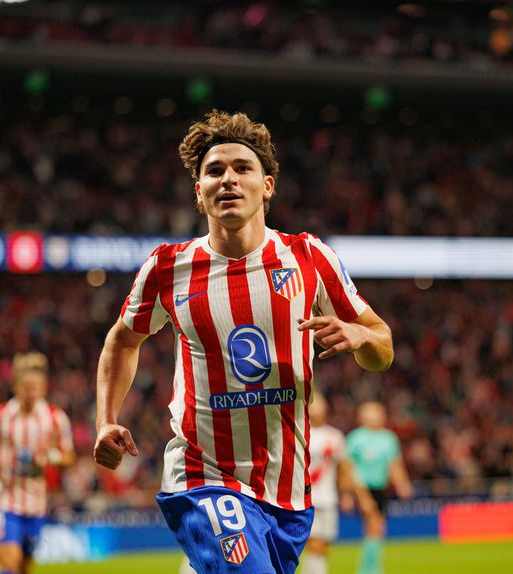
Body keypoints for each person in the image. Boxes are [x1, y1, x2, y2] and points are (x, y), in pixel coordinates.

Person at [93, 110, 394, 574]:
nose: (228, 179)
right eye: (214, 171)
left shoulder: (309, 257)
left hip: (287, 491)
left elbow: (383, 349)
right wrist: (105, 420)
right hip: (203, 475)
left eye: (242, 168)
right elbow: (122, 342)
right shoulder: (167, 268)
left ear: (267, 186)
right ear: (199, 191)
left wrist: (360, 335)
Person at [0, 352, 76, 574]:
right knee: (9, 563)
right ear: (15, 386)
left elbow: (69, 456)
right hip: (3, 498)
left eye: (35, 387)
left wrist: (50, 457)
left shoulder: (55, 418)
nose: (31, 392)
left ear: (44, 387)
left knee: (24, 568)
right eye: (26, 386)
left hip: (36, 502)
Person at [304, 394, 381, 574]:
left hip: (328, 497)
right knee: (314, 543)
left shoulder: (334, 436)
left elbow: (345, 469)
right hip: (307, 498)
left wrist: (353, 495)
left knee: (324, 544)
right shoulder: (300, 433)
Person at [346, 402, 413, 574]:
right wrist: (348, 494)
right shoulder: (356, 438)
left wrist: (402, 484)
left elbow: (394, 465)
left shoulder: (388, 438)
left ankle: (369, 568)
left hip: (380, 488)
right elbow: (348, 468)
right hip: (362, 488)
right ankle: (369, 569)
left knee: (376, 528)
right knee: (374, 525)